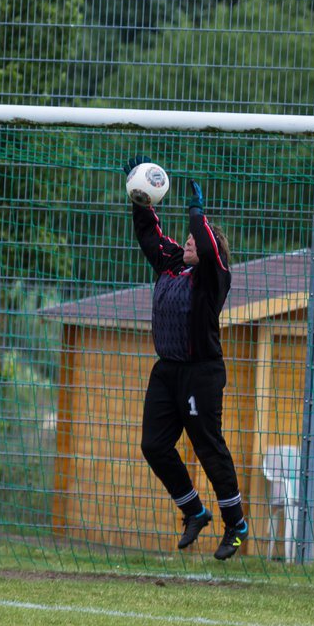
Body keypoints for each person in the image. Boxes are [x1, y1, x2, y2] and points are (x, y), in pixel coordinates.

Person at [126, 157, 247, 560]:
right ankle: (194, 510)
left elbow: (209, 244)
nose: (190, 241)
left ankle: (237, 525)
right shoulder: (171, 263)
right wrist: (140, 198)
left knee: (208, 447)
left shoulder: (214, 276)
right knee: (153, 445)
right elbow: (149, 233)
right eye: (190, 238)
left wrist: (198, 213)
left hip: (201, 373)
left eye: (196, 238)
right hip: (167, 371)